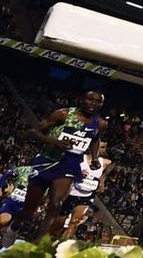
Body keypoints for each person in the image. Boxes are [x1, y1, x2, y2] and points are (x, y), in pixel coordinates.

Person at [14, 90, 107, 240]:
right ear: (82, 99)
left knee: (56, 203)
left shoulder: (100, 123)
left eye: (97, 101)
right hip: (47, 160)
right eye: (90, 99)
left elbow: (95, 139)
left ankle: (38, 245)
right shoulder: (63, 114)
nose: (93, 104)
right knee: (29, 210)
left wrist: (95, 158)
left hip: (69, 164)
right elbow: (32, 132)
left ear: (101, 105)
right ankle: (14, 226)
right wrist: (55, 142)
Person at [57, 145, 113, 241]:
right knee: (59, 223)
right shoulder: (80, 159)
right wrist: (78, 172)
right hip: (70, 193)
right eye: (101, 147)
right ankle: (51, 242)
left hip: (86, 196)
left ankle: (62, 243)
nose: (103, 149)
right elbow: (64, 169)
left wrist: (102, 179)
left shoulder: (104, 162)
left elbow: (111, 165)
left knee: (74, 222)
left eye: (104, 147)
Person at [0, 165, 33, 240]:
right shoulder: (24, 170)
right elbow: (7, 173)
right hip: (12, 202)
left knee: (10, 233)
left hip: (26, 206)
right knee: (3, 220)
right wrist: (1, 187)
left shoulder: (49, 174)